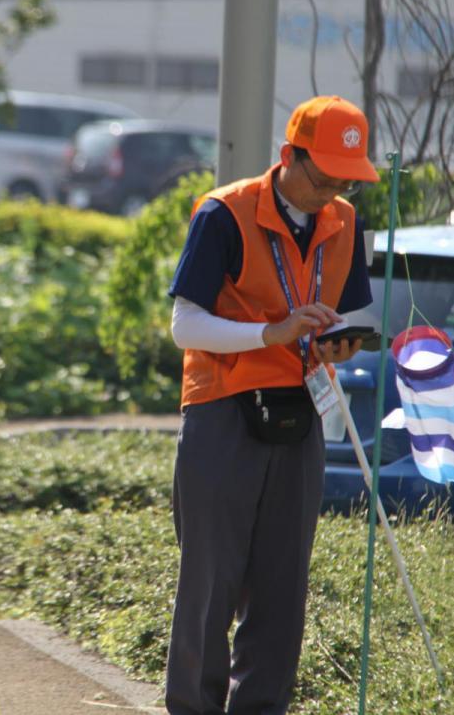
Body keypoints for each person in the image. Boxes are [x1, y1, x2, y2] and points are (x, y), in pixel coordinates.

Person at [163, 95, 380, 715]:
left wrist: (337, 346)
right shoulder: (223, 214)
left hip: (301, 409)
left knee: (283, 587)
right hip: (223, 409)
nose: (334, 190)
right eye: (324, 175)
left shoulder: (344, 222)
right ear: (291, 155)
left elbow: (343, 315)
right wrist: (271, 333)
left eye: (348, 179)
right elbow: (185, 326)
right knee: (211, 583)